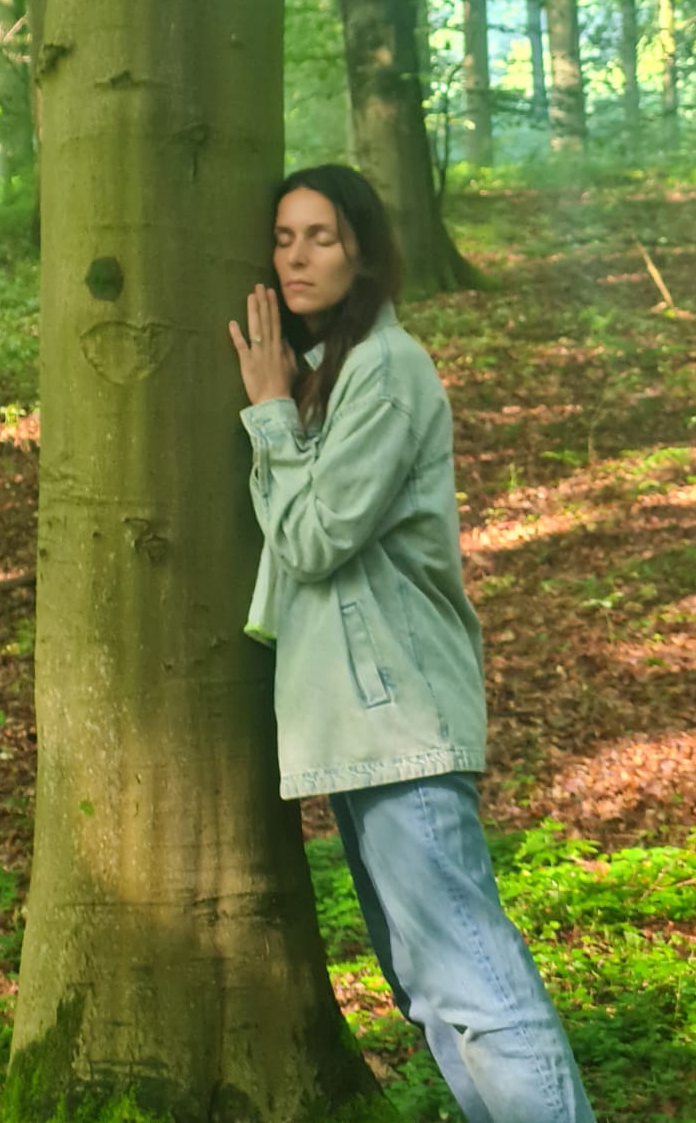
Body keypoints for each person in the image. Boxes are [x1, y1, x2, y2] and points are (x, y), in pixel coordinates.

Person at [228, 163, 595, 1123]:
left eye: (321, 236)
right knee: (430, 992)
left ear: (365, 252)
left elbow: (311, 540)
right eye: (283, 237)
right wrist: (288, 401)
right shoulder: (336, 378)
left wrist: (268, 410)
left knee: (473, 983)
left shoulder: (388, 370)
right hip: (362, 724)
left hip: (395, 718)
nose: (297, 256)